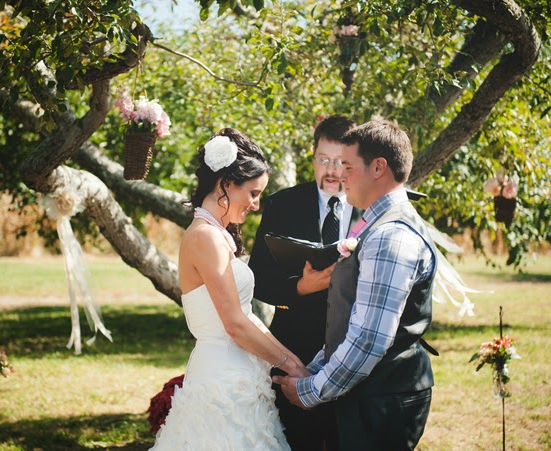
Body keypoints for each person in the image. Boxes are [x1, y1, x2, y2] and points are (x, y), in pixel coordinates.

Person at [273, 119, 438, 450]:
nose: (340, 175)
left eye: (348, 165)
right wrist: (314, 370)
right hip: (365, 392)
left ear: (378, 167)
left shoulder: (390, 237)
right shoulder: (375, 226)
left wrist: (310, 391)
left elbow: (369, 339)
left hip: (382, 400)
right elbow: (353, 321)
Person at [151, 128, 309, 451]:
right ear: (226, 184)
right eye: (253, 193)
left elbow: (248, 317)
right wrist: (291, 367)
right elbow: (235, 324)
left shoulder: (218, 234)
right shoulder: (204, 237)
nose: (256, 204)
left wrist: (297, 362)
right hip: (220, 388)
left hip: (240, 379)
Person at [248, 114, 361, 451]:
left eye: (341, 162)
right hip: (293, 350)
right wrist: (299, 288)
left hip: (352, 350)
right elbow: (257, 279)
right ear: (312, 157)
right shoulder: (282, 205)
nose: (331, 171)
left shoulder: (369, 209)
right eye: (323, 159)